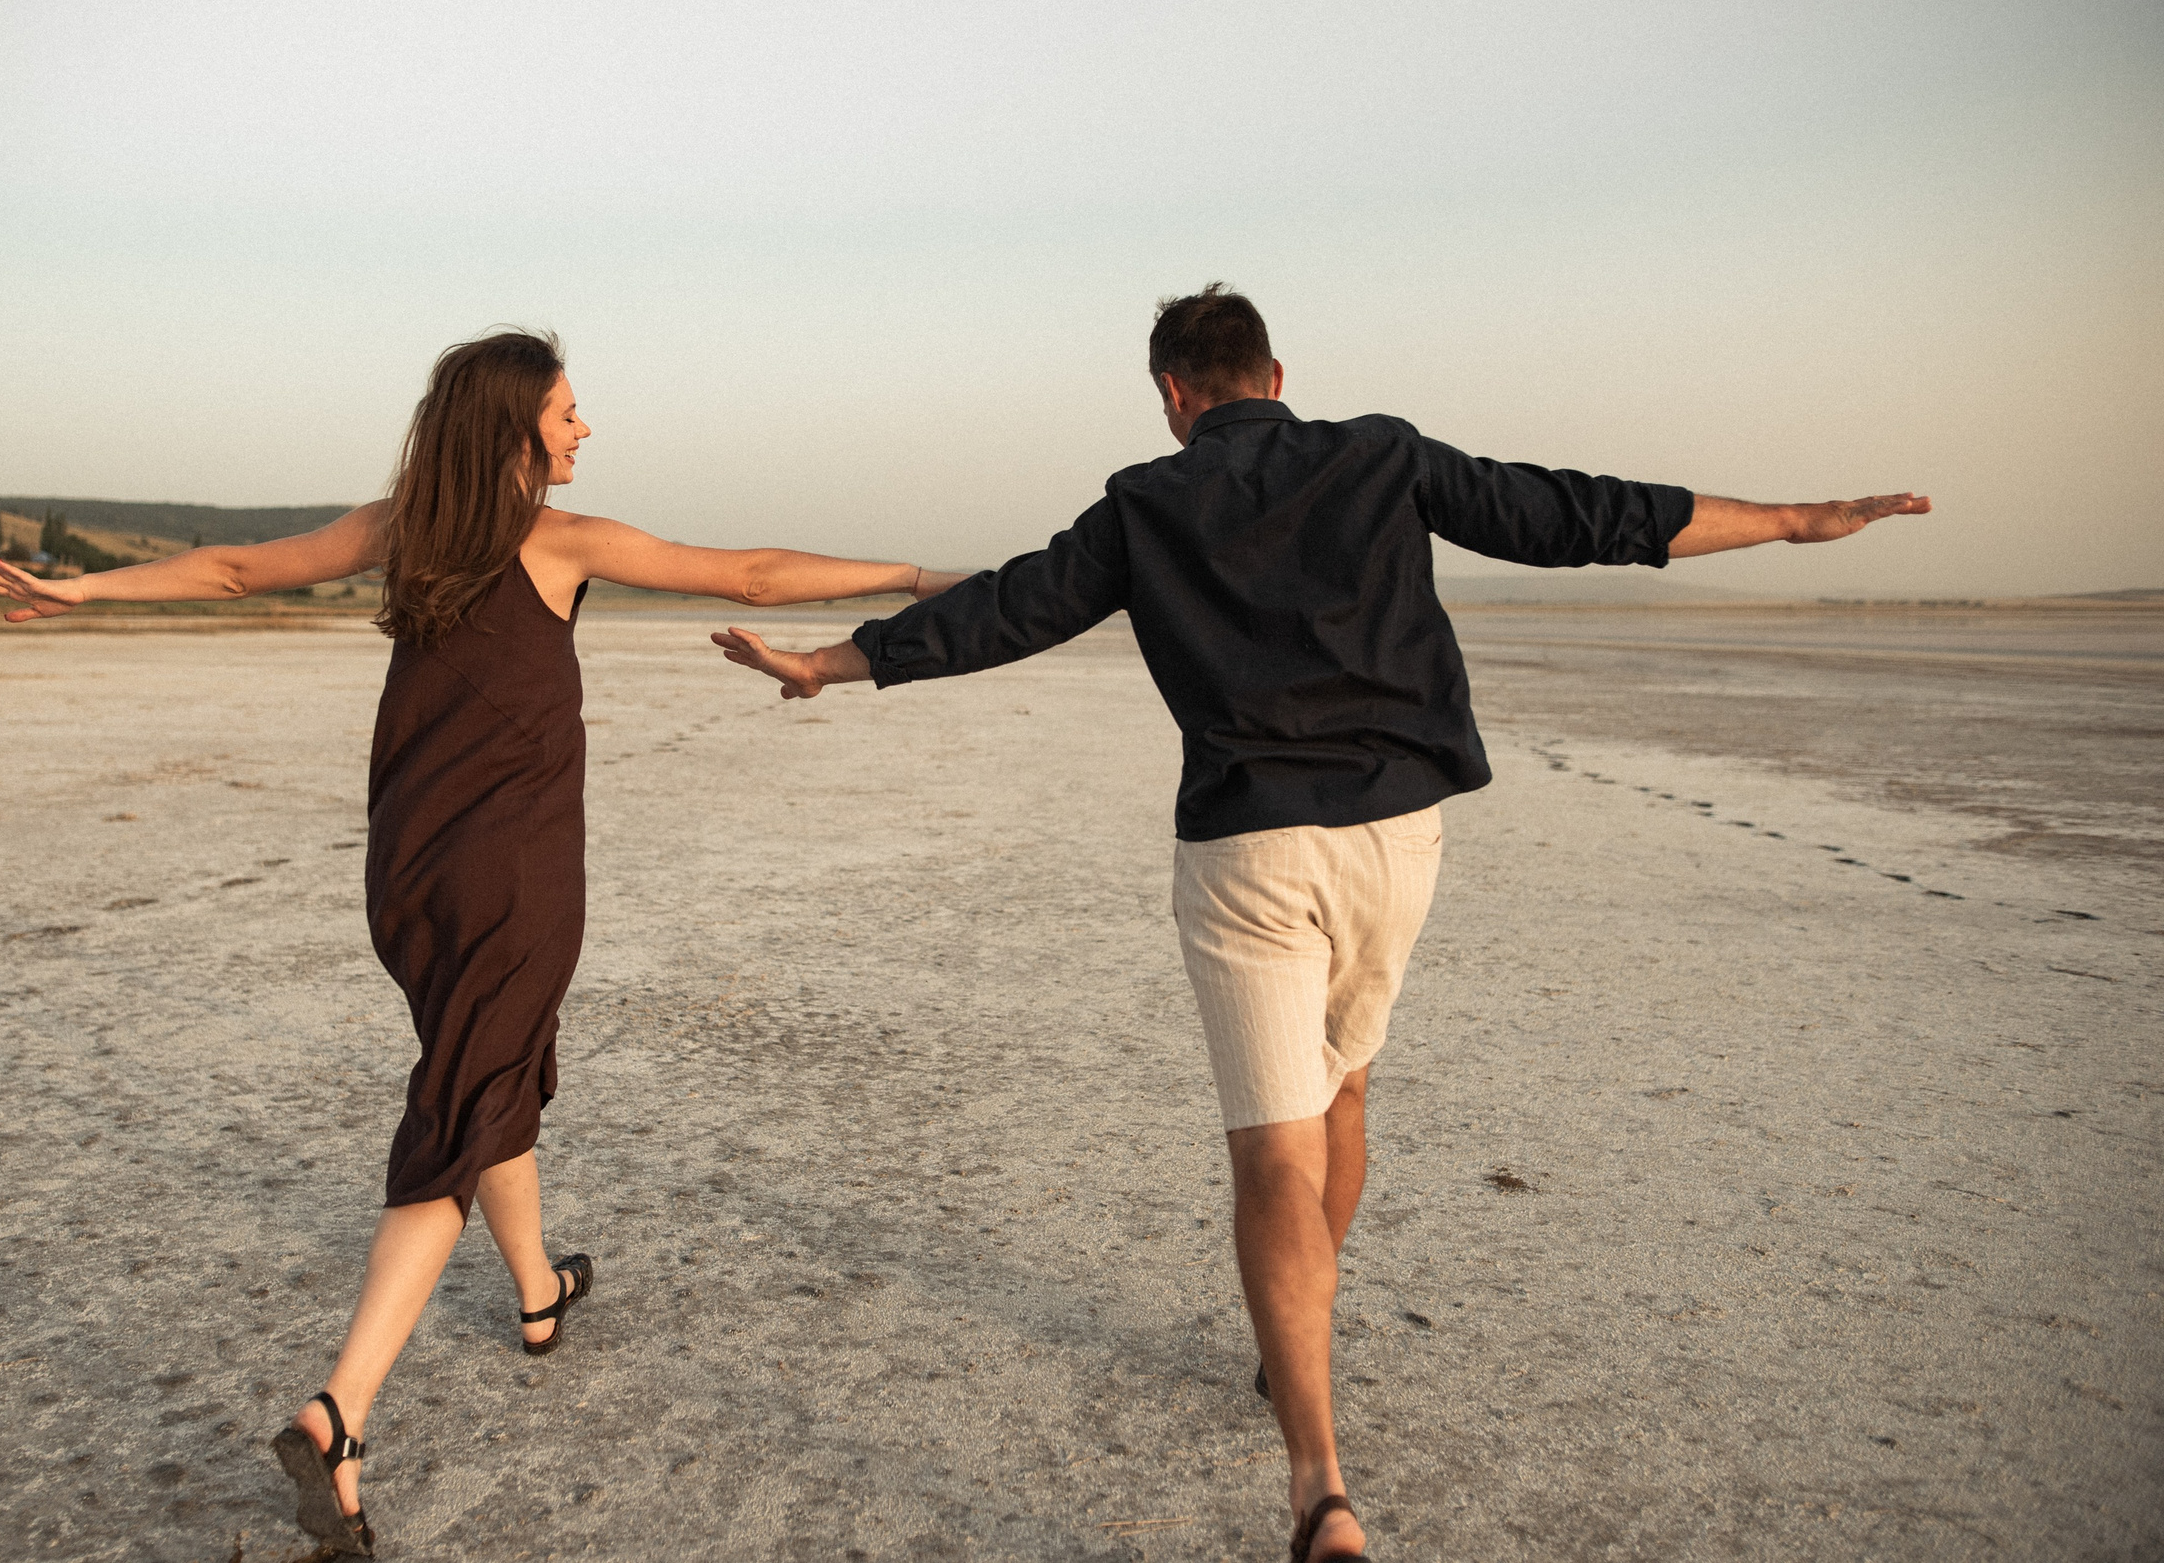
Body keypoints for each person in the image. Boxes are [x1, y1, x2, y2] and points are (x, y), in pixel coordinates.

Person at [712, 285, 1929, 1563]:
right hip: (1397, 837)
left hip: (1248, 846)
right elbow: (1579, 513)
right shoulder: (1382, 453)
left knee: (1272, 1158)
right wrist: (1795, 519)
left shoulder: (1145, 500)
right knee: (1344, 1089)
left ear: (1173, 394)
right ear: (1276, 373)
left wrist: (832, 663)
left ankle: (1321, 1483)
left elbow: (1009, 607)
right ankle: (1300, 1352)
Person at [0, 330, 962, 1557]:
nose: (584, 429)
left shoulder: (402, 525)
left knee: (491, 1062)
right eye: (568, 411)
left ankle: (537, 1292)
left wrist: (79, 590)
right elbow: (747, 572)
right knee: (462, 1100)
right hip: (514, 875)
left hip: (410, 867)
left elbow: (231, 570)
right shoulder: (553, 540)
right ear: (514, 428)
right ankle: (339, 1413)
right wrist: (920, 573)